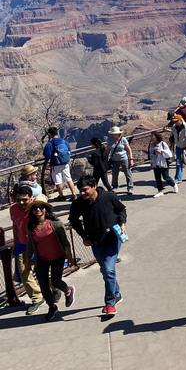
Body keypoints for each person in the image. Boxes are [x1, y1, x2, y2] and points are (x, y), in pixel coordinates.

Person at [68, 175, 127, 316]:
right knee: (106, 270)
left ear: (94, 186)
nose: (82, 194)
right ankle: (116, 293)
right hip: (95, 241)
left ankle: (110, 303)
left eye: (85, 190)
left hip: (112, 238)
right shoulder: (78, 203)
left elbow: (121, 209)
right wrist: (83, 235)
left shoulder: (108, 197)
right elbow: (74, 220)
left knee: (108, 270)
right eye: (80, 191)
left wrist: (123, 223)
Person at [26, 201, 75, 322]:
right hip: (42, 259)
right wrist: (28, 261)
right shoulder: (31, 226)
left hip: (58, 257)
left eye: (41, 208)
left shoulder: (55, 223)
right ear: (32, 212)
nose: (38, 210)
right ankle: (52, 307)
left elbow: (65, 242)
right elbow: (30, 246)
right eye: (35, 208)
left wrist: (69, 256)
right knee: (43, 286)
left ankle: (68, 290)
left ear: (45, 210)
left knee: (55, 281)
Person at [9, 186, 44, 315]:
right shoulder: (13, 209)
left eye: (24, 200)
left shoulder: (37, 208)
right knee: (24, 272)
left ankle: (53, 290)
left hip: (38, 243)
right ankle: (37, 298)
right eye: (19, 200)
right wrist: (15, 243)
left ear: (31, 198)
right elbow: (15, 226)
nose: (21, 203)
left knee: (45, 271)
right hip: (22, 245)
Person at [42, 126, 77, 201]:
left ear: (49, 134)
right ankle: (74, 195)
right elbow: (69, 150)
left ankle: (61, 196)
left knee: (58, 181)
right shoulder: (64, 141)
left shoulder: (50, 143)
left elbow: (46, 154)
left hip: (56, 164)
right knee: (69, 178)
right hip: (66, 163)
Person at [148, 132, 177, 197]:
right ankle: (160, 191)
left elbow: (169, 153)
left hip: (163, 163)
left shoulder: (163, 144)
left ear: (157, 137)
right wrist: (151, 163)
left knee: (166, 177)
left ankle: (174, 185)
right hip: (155, 163)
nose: (152, 138)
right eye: (151, 136)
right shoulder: (151, 144)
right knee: (157, 178)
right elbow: (150, 154)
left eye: (153, 136)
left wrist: (161, 152)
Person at [107, 126, 134, 196]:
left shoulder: (123, 139)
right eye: (112, 134)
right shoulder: (110, 140)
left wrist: (131, 159)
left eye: (114, 133)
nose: (113, 135)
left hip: (124, 159)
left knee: (128, 173)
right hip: (114, 160)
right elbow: (108, 150)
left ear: (118, 133)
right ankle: (115, 186)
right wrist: (106, 159)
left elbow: (129, 150)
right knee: (115, 174)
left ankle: (130, 188)